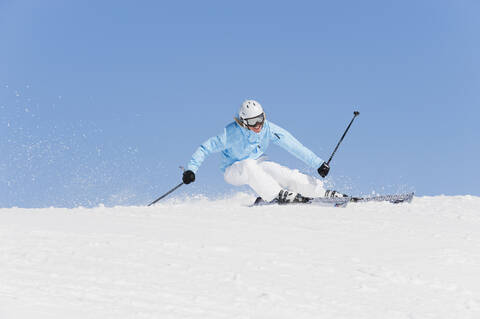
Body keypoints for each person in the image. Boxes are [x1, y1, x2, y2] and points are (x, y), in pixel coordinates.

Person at [182, 99, 332, 204]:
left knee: (277, 170)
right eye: (253, 122)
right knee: (248, 164)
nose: (258, 125)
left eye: (260, 119)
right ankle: (276, 194)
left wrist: (318, 163)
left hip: (258, 162)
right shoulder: (231, 134)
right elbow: (205, 148)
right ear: (243, 122)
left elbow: (292, 144)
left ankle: (318, 191)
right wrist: (191, 170)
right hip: (233, 170)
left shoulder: (267, 128)